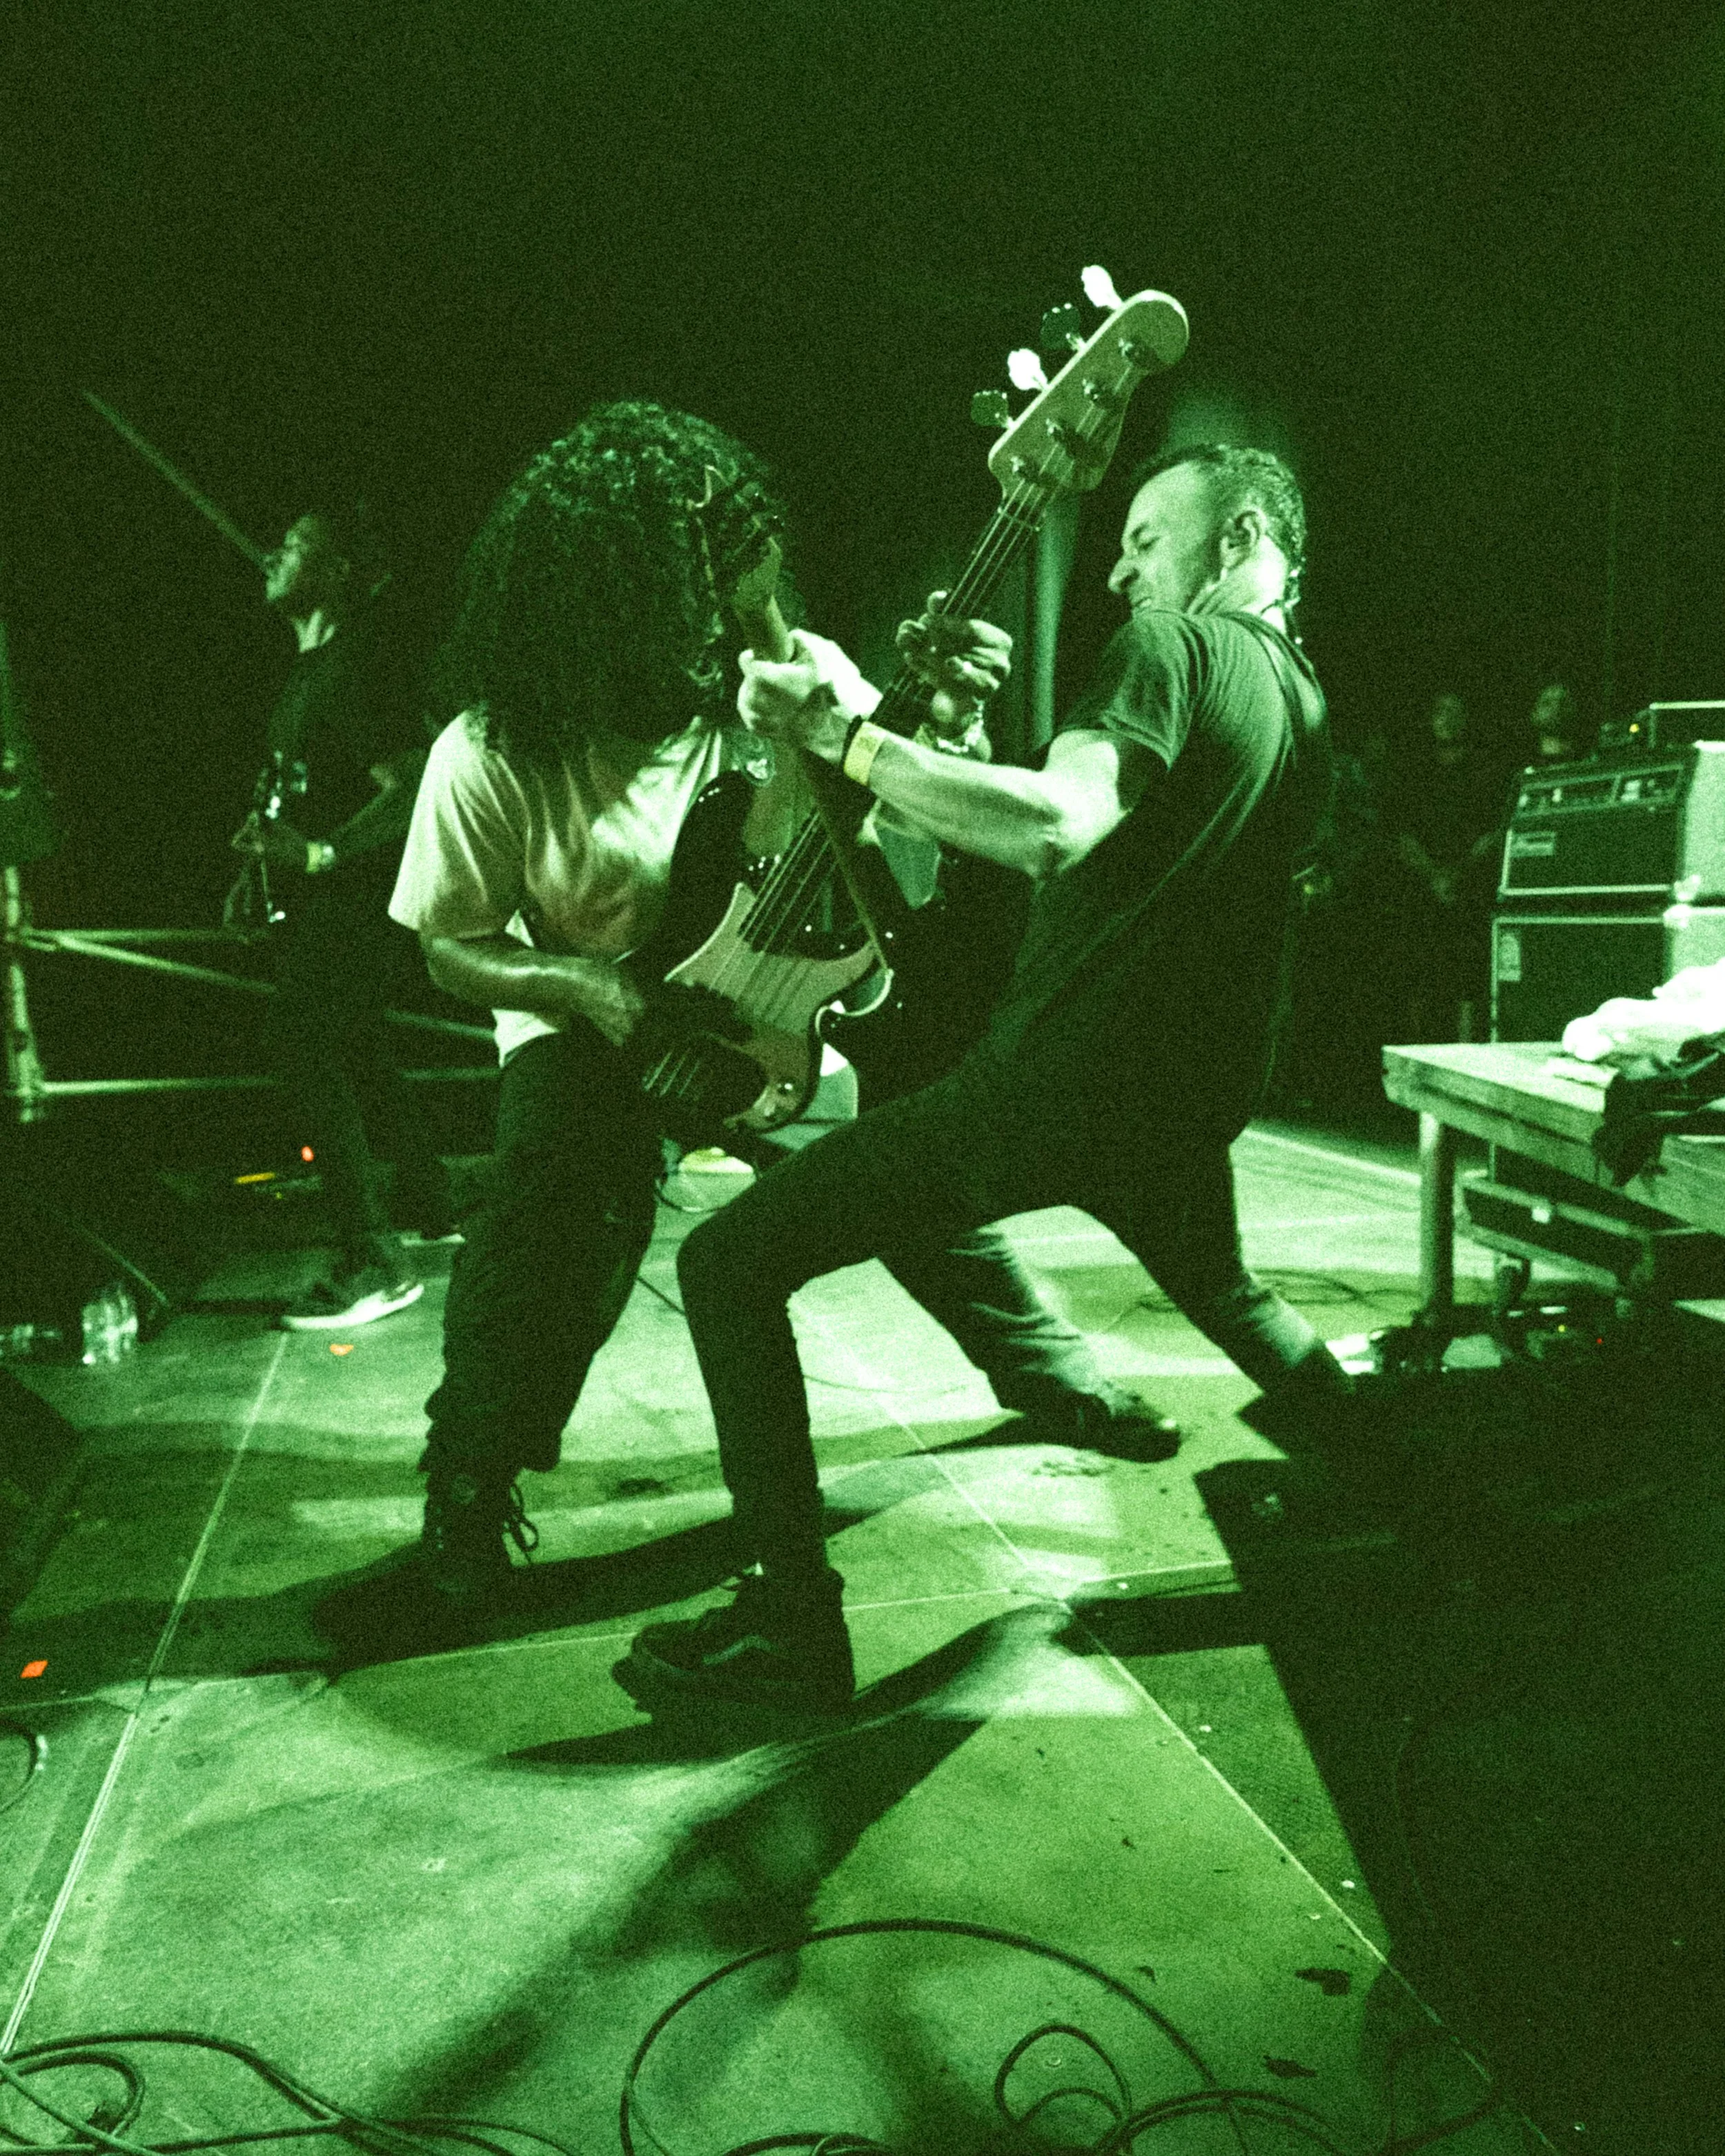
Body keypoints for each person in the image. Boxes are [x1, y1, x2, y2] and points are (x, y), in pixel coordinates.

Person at [387, 401, 1179, 1603]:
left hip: (773, 1017)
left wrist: (937, 725)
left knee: (912, 1183)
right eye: (710, 615)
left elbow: (891, 850)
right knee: (546, 1232)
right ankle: (470, 1481)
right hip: (591, 1025)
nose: (743, 642)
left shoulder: (784, 685)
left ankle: (1053, 1380)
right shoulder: (492, 750)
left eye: (755, 603)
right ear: (606, 614)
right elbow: (453, 946)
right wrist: (590, 989)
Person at [607, 442, 1350, 1719]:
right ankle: (1431, 1506)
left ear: (1235, 542)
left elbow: (1055, 825)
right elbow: (1102, 864)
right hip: (1181, 1099)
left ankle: (791, 1627)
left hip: (1058, 1089)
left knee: (726, 1267)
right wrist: (955, 742)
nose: (1120, 571)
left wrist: (846, 736)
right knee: (1232, 1294)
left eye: (1144, 537)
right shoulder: (1303, 703)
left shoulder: (1172, 651)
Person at [228, 507, 449, 1328]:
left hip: (361, 902)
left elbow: (417, 777)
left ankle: (373, 1258)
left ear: (342, 571)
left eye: (292, 547)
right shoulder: (309, 672)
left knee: (303, 1039)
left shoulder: (357, 665)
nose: (270, 552)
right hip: (323, 901)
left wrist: (321, 854)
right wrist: (259, 865)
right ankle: (430, 1200)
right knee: (354, 1041)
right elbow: (300, 789)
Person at [1383, 691, 1506, 1042]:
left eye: (1456, 711)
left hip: (1470, 891)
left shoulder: (1486, 770)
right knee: (1420, 981)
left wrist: (1460, 874)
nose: (1448, 719)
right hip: (1422, 892)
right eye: (1441, 711)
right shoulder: (1414, 770)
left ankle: (1465, 1054)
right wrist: (1434, 876)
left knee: (1468, 982)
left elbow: (1494, 830)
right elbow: (1401, 831)